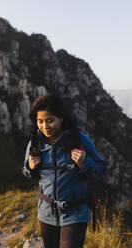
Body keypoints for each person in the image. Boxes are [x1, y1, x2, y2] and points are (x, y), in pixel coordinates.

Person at [22, 95, 106, 248]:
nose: (45, 126)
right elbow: (27, 172)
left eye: (50, 120)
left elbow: (101, 168)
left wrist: (84, 162)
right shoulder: (35, 143)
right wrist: (31, 167)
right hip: (47, 214)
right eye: (40, 121)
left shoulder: (79, 140)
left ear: (61, 118)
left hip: (75, 213)